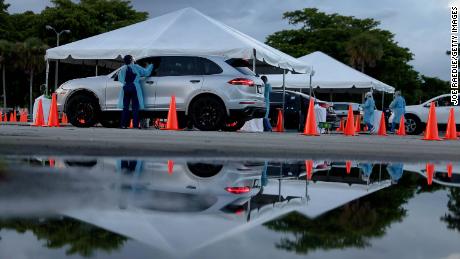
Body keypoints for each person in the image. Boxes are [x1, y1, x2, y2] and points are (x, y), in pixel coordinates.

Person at [118, 55, 153, 129]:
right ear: (131, 60)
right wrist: (151, 65)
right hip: (134, 87)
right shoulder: (136, 67)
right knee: (135, 107)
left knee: (125, 107)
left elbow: (120, 79)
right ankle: (135, 125)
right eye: (133, 59)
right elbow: (146, 73)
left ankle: (123, 125)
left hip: (126, 87)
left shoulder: (123, 68)